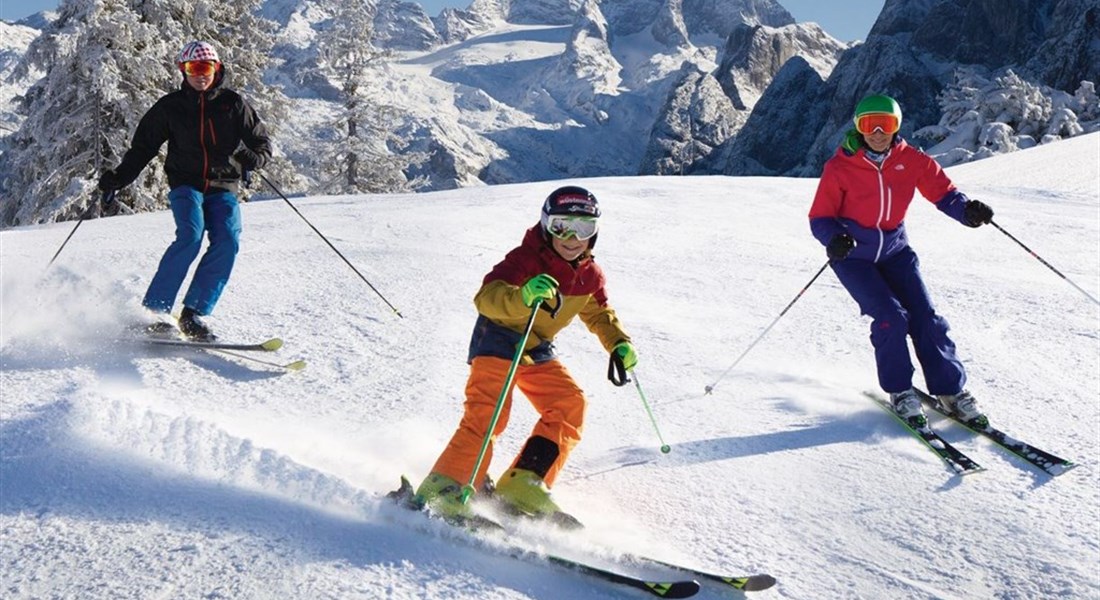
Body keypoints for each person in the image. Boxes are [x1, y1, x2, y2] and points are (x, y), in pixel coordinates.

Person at [413, 185, 638, 522]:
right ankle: (446, 485)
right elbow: (486, 298)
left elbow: (598, 312)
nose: (573, 237)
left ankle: (525, 482)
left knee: (569, 404)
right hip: (499, 339)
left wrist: (618, 342)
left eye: (585, 228)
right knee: (489, 415)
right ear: (547, 225)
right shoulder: (525, 259)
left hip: (536, 347)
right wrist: (522, 296)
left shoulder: (589, 274)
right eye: (563, 226)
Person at [808, 94, 995, 428]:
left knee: (927, 319)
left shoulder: (913, 161)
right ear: (858, 128)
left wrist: (967, 211)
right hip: (854, 258)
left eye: (886, 124)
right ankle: (900, 391)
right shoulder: (840, 167)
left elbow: (944, 193)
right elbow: (821, 217)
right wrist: (833, 238)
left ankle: (951, 391)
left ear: (897, 126)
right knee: (891, 318)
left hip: (896, 252)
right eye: (869, 124)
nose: (878, 132)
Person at [98, 41, 272, 341]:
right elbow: (144, 147)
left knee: (228, 240)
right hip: (186, 184)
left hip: (223, 186)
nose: (200, 75)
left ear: (217, 69)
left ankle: (193, 315)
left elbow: (262, 144)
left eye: (206, 68)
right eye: (193, 68)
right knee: (191, 235)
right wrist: (119, 177)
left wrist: (254, 158)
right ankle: (155, 311)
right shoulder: (170, 107)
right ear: (184, 70)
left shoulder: (233, 104)